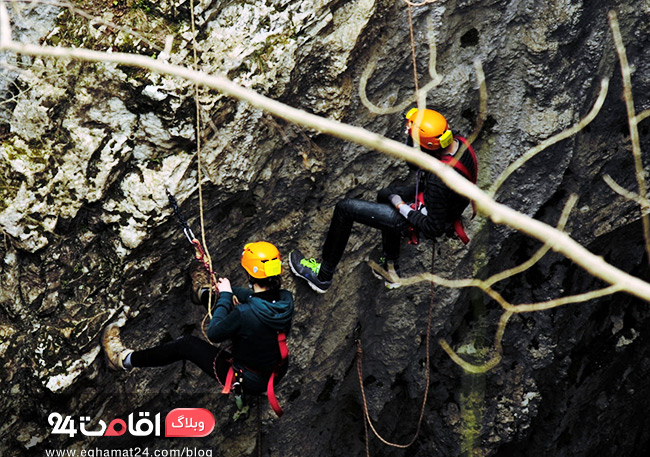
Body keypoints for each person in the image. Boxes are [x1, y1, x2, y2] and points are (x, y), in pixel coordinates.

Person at [289, 107, 478, 293]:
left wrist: (401, 206)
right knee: (386, 193)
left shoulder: (438, 180)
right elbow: (416, 165)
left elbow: (433, 228)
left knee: (345, 208)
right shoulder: (459, 143)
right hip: (446, 201)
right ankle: (391, 269)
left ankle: (323, 276)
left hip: (432, 213)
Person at [101, 241, 294, 397]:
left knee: (186, 345)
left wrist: (226, 295)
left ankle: (121, 359)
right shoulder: (285, 300)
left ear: (250, 276)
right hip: (272, 371)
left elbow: (214, 332)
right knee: (229, 306)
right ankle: (201, 293)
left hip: (246, 378)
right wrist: (225, 290)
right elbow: (252, 298)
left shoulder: (245, 313)